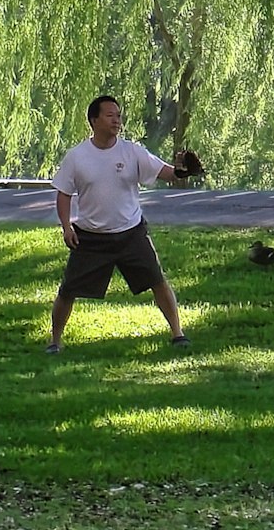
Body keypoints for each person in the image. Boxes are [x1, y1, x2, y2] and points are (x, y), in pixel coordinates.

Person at [48, 95, 193, 353]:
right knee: (68, 290)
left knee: (158, 281)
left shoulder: (131, 151)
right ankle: (55, 341)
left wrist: (182, 169)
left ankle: (178, 334)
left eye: (119, 115)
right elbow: (63, 194)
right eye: (110, 115)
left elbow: (166, 173)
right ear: (94, 121)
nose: (117, 120)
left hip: (130, 233)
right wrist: (66, 227)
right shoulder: (77, 157)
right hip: (91, 236)